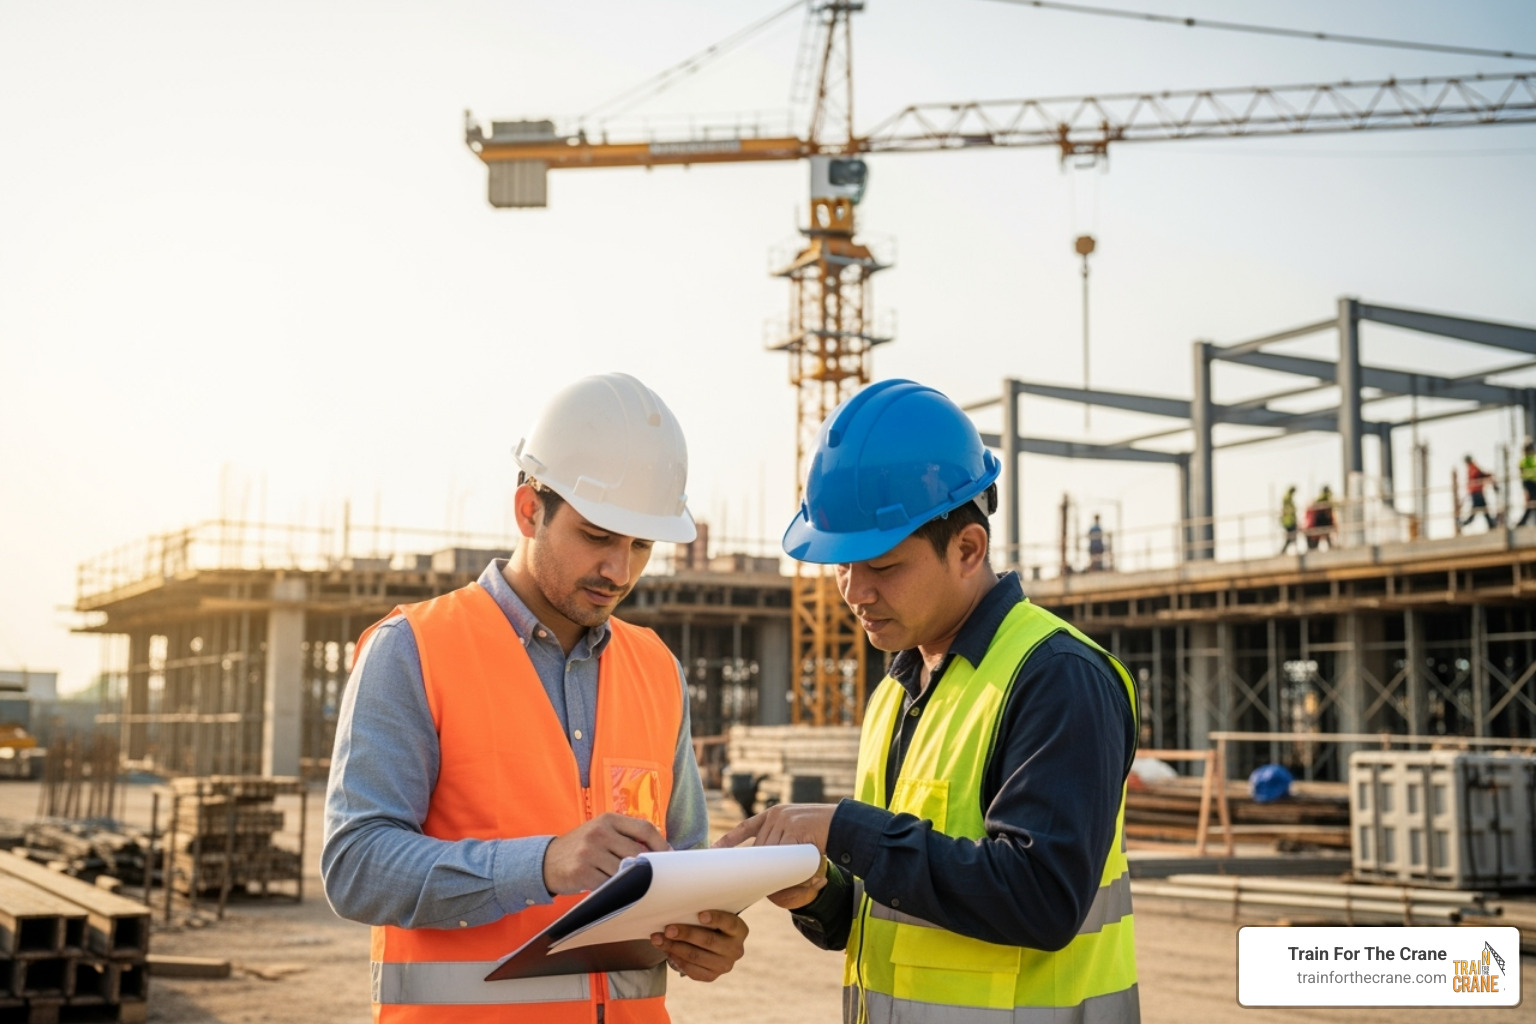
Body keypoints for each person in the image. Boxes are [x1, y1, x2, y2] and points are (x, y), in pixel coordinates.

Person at [322, 373, 748, 1023]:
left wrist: (703, 936)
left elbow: (682, 863)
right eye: (598, 535)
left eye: (641, 545)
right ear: (529, 510)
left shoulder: (657, 668)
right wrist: (543, 865)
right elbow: (356, 866)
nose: (620, 570)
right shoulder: (412, 649)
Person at [717, 379, 1141, 1023]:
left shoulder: (1057, 676)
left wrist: (844, 827)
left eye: (881, 566)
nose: (854, 592)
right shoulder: (896, 691)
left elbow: (1042, 899)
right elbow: (889, 915)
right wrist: (818, 895)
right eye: (840, 565)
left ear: (968, 548)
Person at [1461, 454, 1498, 530]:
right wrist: (1489, 475)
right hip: (1476, 492)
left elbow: (1480, 475)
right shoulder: (1472, 468)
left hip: (1476, 492)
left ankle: (1464, 523)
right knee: (1481, 509)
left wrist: (1488, 476)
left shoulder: (1471, 468)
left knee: (1481, 509)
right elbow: (1480, 475)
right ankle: (1490, 525)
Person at [1305, 485, 1335, 551]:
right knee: (1324, 536)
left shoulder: (1322, 498)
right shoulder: (1324, 498)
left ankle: (1315, 549)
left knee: (1323, 536)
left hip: (1321, 521)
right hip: (1322, 521)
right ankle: (1329, 548)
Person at [1518, 439, 1535, 528]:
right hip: (1530, 484)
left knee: (1531, 505)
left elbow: (1522, 474)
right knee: (1531, 504)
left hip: (1530, 484)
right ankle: (1521, 523)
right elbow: (1523, 474)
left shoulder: (1524, 461)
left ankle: (1521, 523)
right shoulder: (1525, 460)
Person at [1279, 486, 1299, 554]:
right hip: (1289, 521)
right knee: (1292, 536)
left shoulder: (1288, 498)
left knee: (1291, 536)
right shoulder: (1287, 498)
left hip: (1290, 520)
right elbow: (1289, 510)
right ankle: (1284, 551)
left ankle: (1284, 551)